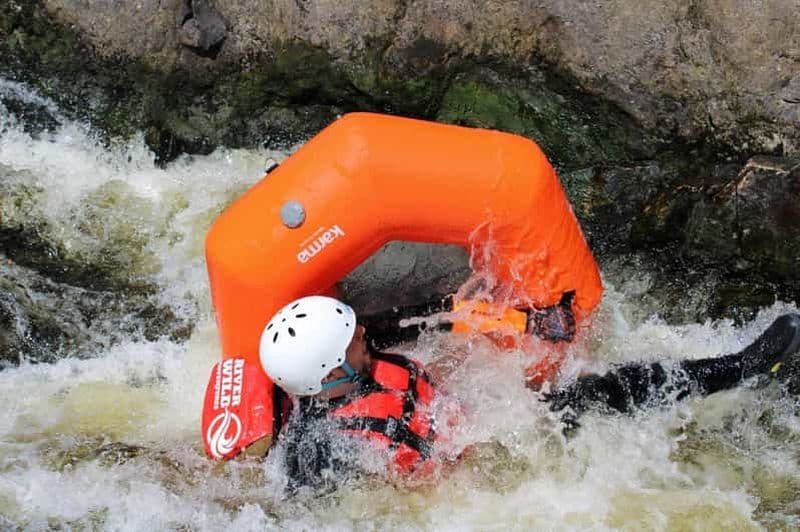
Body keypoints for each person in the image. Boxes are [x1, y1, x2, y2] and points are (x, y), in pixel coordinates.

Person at [258, 295, 800, 491]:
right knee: (589, 397)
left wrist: (526, 321)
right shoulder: (325, 452)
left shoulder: (349, 358)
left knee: (589, 391)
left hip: (475, 425)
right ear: (330, 373)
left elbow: (425, 316)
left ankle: (735, 369)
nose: (361, 333)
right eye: (350, 338)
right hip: (481, 472)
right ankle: (744, 370)